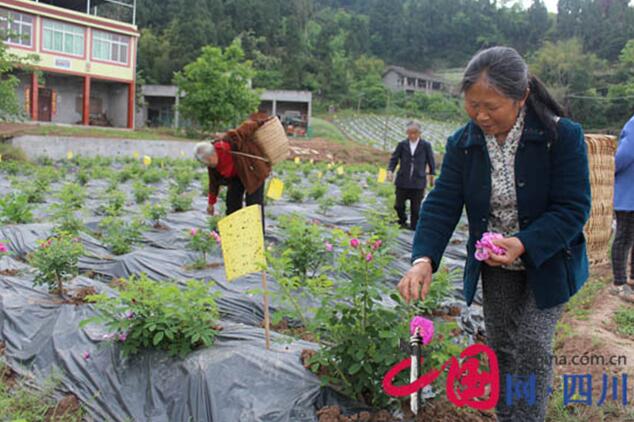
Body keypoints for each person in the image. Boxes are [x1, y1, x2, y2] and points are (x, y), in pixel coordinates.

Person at [396, 47, 591, 422]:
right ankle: (507, 414)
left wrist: (523, 243)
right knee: (501, 346)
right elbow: (441, 205)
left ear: (521, 98)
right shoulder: (464, 144)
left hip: (549, 260)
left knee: (532, 344)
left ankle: (527, 417)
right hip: (495, 262)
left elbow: (573, 208)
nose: (481, 116)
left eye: (491, 106)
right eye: (473, 105)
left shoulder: (560, 137)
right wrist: (423, 260)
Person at [195, 113, 271, 229]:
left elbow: (247, 127)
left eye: (210, 161)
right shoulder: (212, 165)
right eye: (207, 163)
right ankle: (235, 233)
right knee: (232, 203)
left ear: (213, 153)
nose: (210, 164)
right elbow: (213, 183)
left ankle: (257, 236)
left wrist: (265, 122)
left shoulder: (229, 141)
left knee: (253, 204)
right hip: (236, 177)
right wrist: (211, 204)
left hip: (252, 170)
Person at [387, 121, 436, 230]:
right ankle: (402, 221)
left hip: (418, 182)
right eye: (410, 133)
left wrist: (432, 174)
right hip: (402, 180)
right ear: (407, 133)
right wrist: (390, 170)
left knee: (416, 209)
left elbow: (431, 160)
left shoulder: (425, 146)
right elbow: (394, 159)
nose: (412, 135)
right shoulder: (402, 145)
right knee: (398, 205)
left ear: (419, 133)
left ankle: (414, 228)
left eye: (415, 133)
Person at [611, 114, 634, 302]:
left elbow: (623, 156)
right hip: (629, 195)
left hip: (630, 194)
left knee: (626, 238)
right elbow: (625, 155)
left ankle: (628, 280)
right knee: (624, 238)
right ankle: (619, 283)